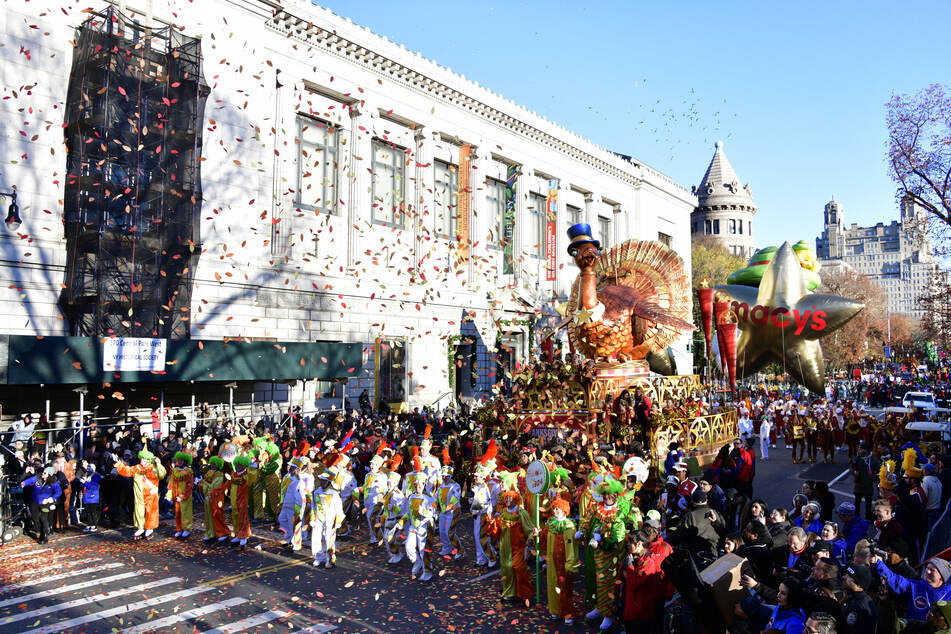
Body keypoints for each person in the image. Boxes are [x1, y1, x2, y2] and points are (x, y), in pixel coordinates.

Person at [577, 479, 627, 631]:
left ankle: (608, 614)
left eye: (609, 495)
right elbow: (586, 521)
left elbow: (618, 536)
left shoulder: (619, 512)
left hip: (609, 556)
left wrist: (603, 540)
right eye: (604, 494)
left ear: (616, 495)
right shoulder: (595, 507)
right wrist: (582, 532)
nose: (606, 497)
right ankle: (599, 607)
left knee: (608, 583)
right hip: (594, 553)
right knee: (594, 580)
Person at [486, 487, 536, 603]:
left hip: (518, 546)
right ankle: (509, 592)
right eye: (506, 498)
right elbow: (497, 530)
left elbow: (530, 529)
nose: (507, 500)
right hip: (504, 547)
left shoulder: (521, 513)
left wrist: (530, 540)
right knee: (506, 569)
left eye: (510, 498)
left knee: (518, 568)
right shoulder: (503, 512)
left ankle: (526, 593)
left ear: (516, 500)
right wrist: (492, 522)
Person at [872, 554, 951, 622]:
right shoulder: (914, 585)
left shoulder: (949, 594)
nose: (927, 571)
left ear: (941, 576)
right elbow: (894, 579)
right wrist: (878, 563)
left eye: (932, 570)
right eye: (927, 568)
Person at [115, 449, 167, 541]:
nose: (142, 460)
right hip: (139, 495)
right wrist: (119, 463)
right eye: (141, 458)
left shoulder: (154, 468)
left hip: (151, 495)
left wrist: (159, 464)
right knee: (139, 511)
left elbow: (162, 474)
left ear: (148, 459)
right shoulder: (137, 468)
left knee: (150, 512)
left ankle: (149, 529)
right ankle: (140, 528)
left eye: (144, 459)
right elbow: (126, 471)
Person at [541, 497, 578, 624]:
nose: (555, 510)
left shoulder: (569, 526)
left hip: (564, 562)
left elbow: (571, 545)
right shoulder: (550, 524)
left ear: (564, 511)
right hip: (552, 561)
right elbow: (544, 537)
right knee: (552, 585)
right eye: (554, 508)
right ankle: (555, 610)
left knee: (564, 586)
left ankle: (567, 613)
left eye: (558, 508)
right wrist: (536, 535)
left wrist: (571, 562)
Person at [622, 531, 666, 634]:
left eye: (630, 542)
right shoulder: (632, 557)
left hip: (640, 612)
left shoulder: (648, 562)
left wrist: (629, 568)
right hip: (630, 609)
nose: (628, 544)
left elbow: (634, 583)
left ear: (639, 544)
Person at [311, 469, 344, 569]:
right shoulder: (317, 492)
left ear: (328, 482)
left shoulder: (334, 494)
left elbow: (339, 509)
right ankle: (318, 557)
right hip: (319, 518)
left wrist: (338, 521)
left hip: (330, 519)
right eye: (321, 480)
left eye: (324, 480)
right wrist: (312, 518)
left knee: (329, 539)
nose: (322, 482)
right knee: (315, 538)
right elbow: (313, 506)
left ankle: (330, 559)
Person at [21, 466, 61, 543]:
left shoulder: (53, 482)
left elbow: (58, 492)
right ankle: (40, 529)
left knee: (43, 518)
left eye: (45, 473)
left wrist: (51, 499)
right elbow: (30, 480)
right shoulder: (37, 478)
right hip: (35, 501)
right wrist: (24, 483)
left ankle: (44, 535)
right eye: (43, 472)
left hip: (45, 502)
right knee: (35, 518)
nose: (43, 474)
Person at [199, 456, 230, 543]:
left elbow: (214, 487)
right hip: (207, 498)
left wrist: (204, 483)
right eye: (212, 464)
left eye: (214, 464)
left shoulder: (220, 475)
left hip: (216, 499)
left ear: (218, 465)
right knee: (208, 516)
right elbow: (204, 486)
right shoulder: (208, 474)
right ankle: (210, 533)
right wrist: (202, 484)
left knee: (217, 515)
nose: (212, 466)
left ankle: (222, 533)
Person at [840, 565, 877, 634]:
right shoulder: (850, 598)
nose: (844, 577)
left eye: (848, 576)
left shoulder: (861, 606)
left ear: (858, 584)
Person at [168, 451, 194, 539]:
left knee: (185, 512)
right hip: (176, 495)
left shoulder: (189, 471)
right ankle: (179, 529)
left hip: (185, 496)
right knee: (178, 512)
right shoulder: (175, 470)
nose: (179, 461)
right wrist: (169, 493)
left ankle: (187, 528)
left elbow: (190, 485)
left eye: (181, 460)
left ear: (185, 461)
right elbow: (171, 482)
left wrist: (182, 496)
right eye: (178, 460)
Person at [229, 455, 252, 549]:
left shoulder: (246, 475)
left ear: (244, 466)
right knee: (235, 517)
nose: (238, 466)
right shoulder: (234, 474)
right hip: (234, 500)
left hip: (242, 500)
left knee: (243, 518)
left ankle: (244, 536)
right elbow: (227, 484)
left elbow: (251, 478)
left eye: (240, 465)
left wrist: (253, 467)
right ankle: (238, 534)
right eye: (237, 465)